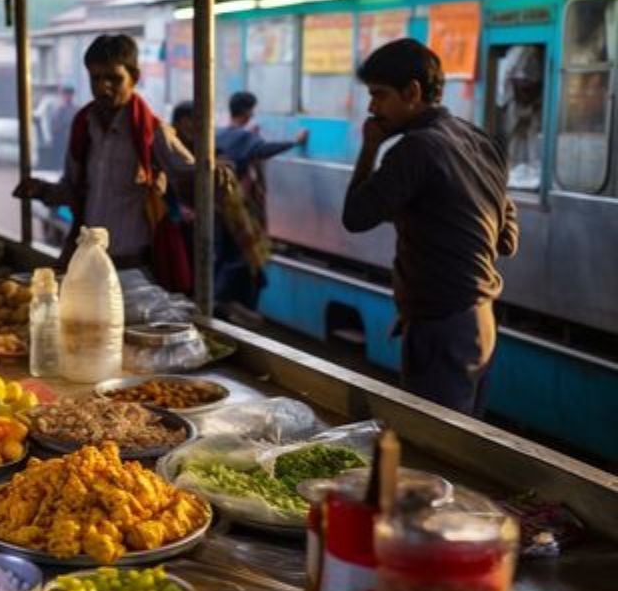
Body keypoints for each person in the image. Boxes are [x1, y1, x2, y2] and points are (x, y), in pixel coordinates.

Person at [343, 38, 519, 416]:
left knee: (434, 447)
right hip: (481, 319)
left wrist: (370, 147)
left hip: (441, 325)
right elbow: (506, 239)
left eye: (380, 95)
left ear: (412, 92)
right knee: (464, 442)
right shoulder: (478, 139)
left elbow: (355, 216)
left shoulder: (416, 149)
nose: (372, 108)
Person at [14, 34, 193, 270]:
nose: (102, 87)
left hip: (133, 267)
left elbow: (192, 177)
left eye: (114, 78)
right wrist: (43, 191)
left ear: (134, 78)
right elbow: (73, 190)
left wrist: (218, 171)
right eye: (95, 78)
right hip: (88, 263)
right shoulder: (83, 126)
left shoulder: (152, 131)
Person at [171, 101, 271, 317]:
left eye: (200, 122)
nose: (195, 127)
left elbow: (226, 168)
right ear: (179, 123)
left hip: (211, 225)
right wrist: (182, 211)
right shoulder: (169, 150)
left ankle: (218, 307)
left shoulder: (211, 149)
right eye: (190, 121)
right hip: (181, 231)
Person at [211, 91, 308, 310]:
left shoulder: (219, 134)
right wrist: (295, 142)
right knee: (242, 255)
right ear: (247, 113)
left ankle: (218, 300)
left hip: (217, 208)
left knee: (221, 253)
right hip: (236, 209)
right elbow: (264, 150)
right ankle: (228, 301)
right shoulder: (244, 137)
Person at [35, 84, 77, 171]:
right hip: (59, 138)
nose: (67, 97)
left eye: (69, 95)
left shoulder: (74, 109)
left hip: (70, 139)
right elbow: (54, 124)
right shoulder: (59, 109)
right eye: (65, 94)